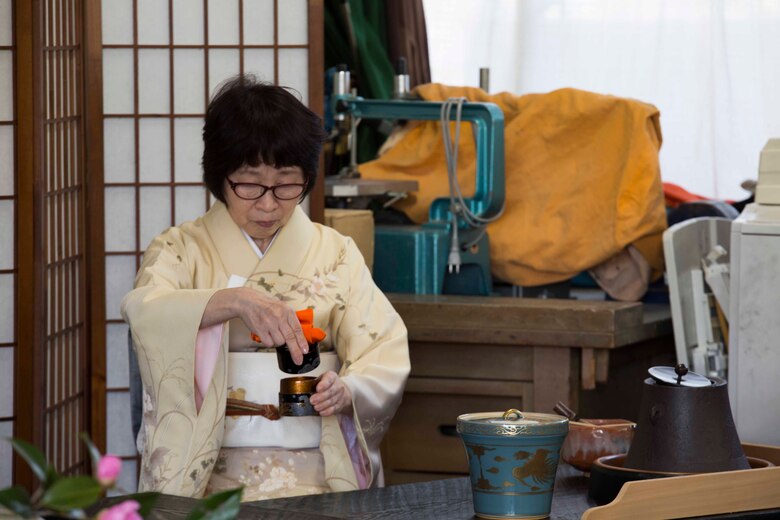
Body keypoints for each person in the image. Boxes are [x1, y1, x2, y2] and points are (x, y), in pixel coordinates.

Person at [121, 74, 410, 500]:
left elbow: (383, 348)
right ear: (220, 178)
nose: (269, 204)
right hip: (207, 470)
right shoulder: (181, 250)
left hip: (317, 469)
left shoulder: (336, 253)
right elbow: (144, 309)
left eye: (287, 183)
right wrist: (232, 302)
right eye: (250, 184)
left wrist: (349, 389)